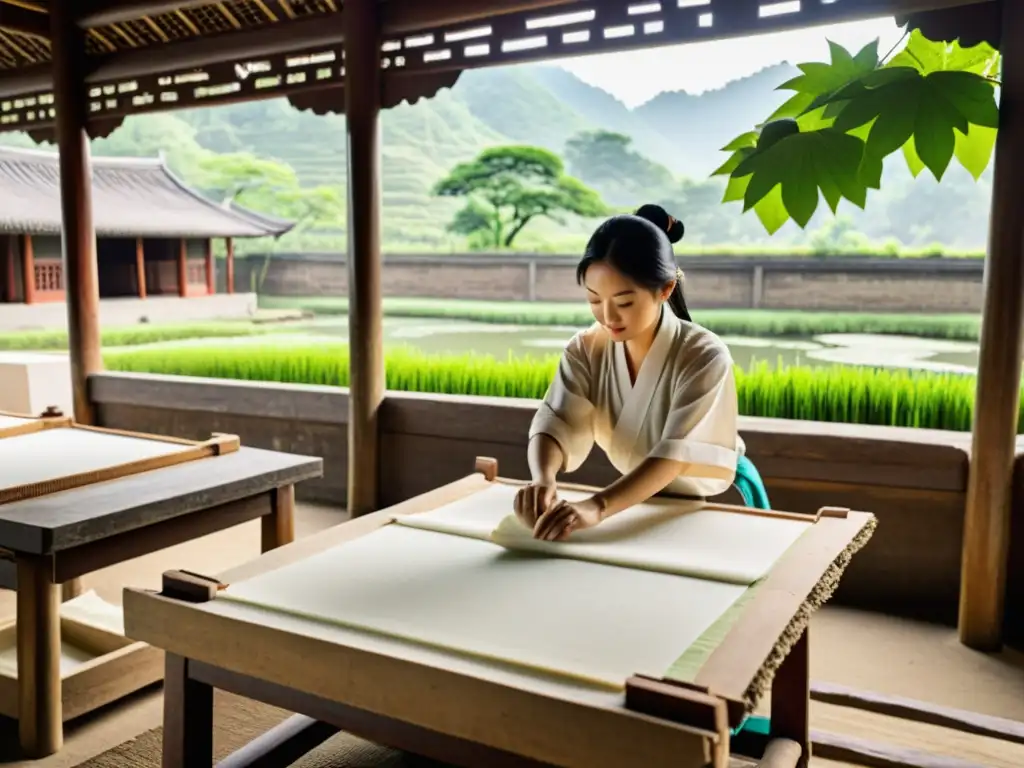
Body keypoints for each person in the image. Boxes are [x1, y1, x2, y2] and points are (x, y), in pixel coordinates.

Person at [515, 203, 750, 542]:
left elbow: (676, 454)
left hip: (711, 504)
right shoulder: (586, 348)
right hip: (639, 503)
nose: (607, 316)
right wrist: (543, 479)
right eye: (594, 300)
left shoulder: (704, 355)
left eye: (624, 303)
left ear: (665, 290)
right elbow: (556, 419)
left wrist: (596, 506)